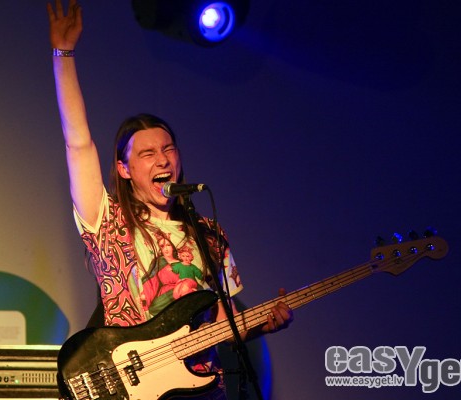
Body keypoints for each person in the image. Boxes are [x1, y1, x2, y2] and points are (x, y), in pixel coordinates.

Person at [47, 0, 293, 398]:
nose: (162, 160)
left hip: (201, 390)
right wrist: (64, 54)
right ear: (124, 169)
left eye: (168, 149)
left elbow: (222, 325)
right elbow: (78, 143)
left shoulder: (208, 233)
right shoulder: (108, 222)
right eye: (147, 154)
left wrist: (265, 322)